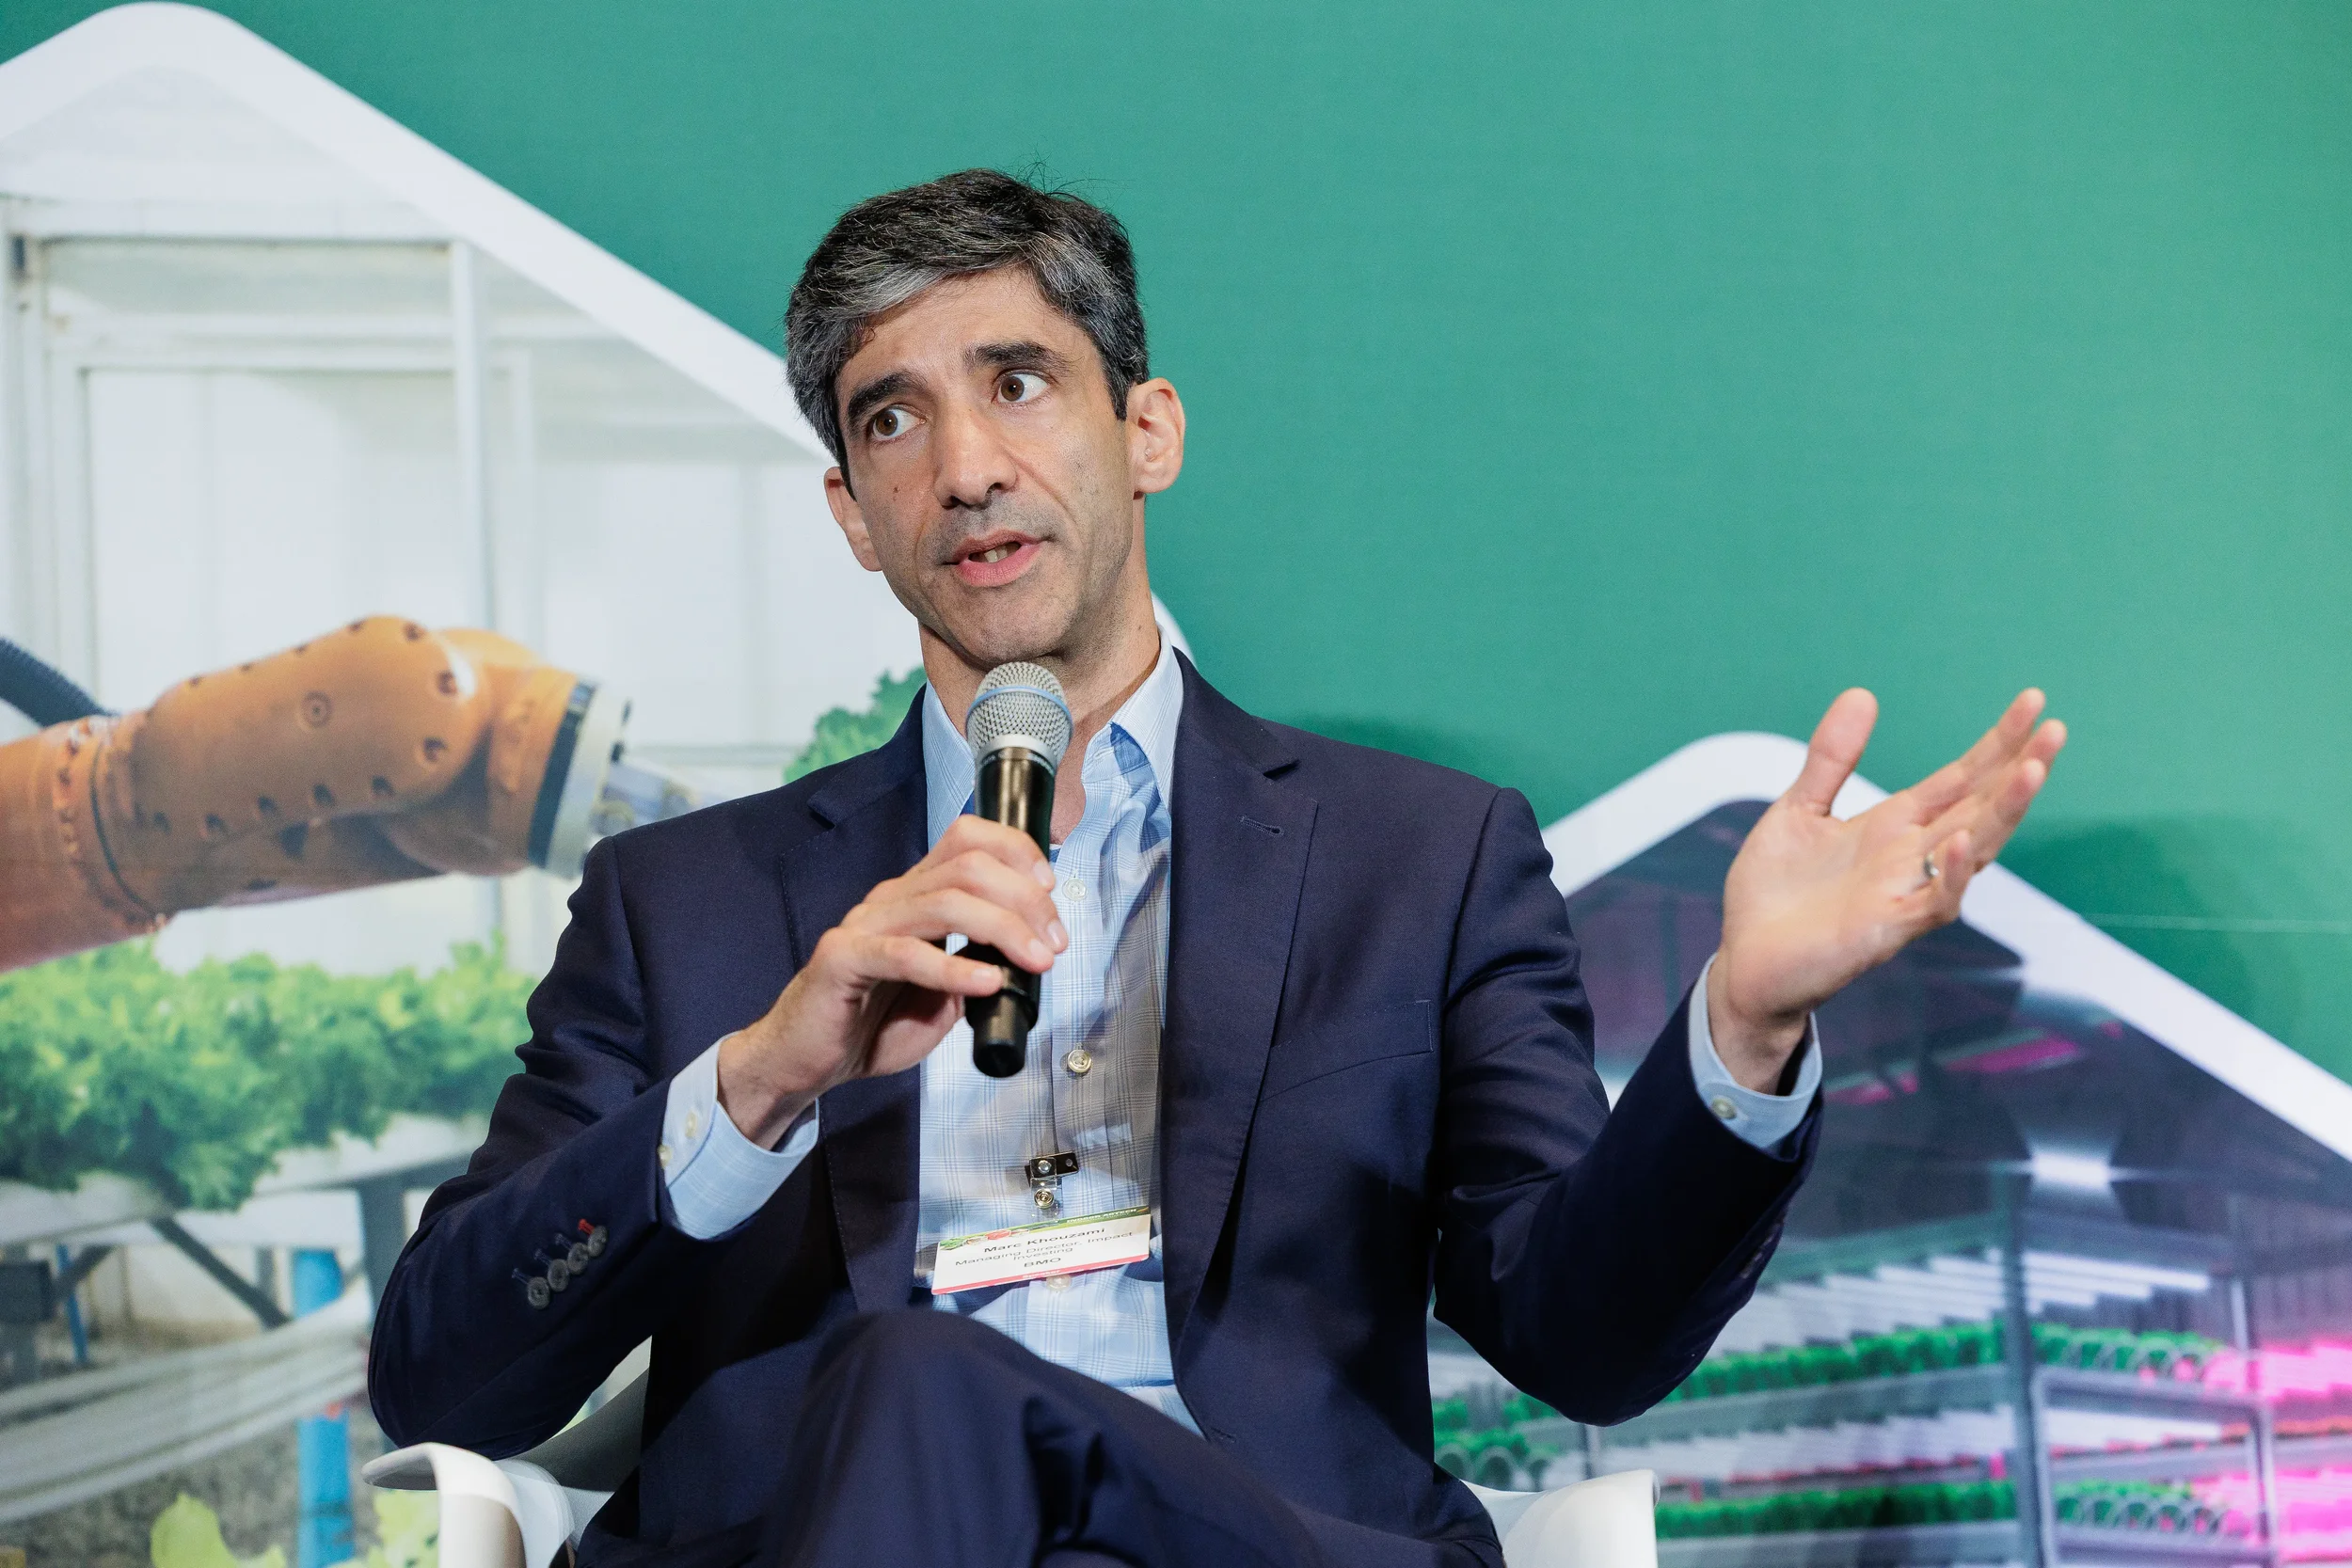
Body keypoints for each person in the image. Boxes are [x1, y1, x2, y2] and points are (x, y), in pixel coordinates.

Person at [369, 170, 2065, 1568]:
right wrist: (755, 1081)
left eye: (1018, 383)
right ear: (851, 511)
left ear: (1149, 427)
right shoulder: (690, 904)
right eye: (896, 421)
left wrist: (1746, 1028)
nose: (966, 467)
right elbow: (445, 1362)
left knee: (929, 1384)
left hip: (1252, 1540)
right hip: (827, 1537)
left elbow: (1585, 1333)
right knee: (906, 1395)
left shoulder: (1421, 856)